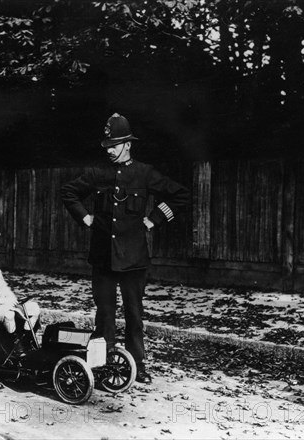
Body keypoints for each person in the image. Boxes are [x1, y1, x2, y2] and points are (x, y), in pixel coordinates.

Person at [60, 113, 190, 384]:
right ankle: (104, 364)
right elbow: (68, 192)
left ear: (128, 145)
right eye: (107, 145)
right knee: (104, 314)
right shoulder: (97, 174)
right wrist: (86, 218)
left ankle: (137, 365)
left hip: (133, 258)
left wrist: (153, 219)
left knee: (134, 313)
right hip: (103, 257)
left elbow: (180, 195)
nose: (110, 150)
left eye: (115, 145)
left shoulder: (144, 173)